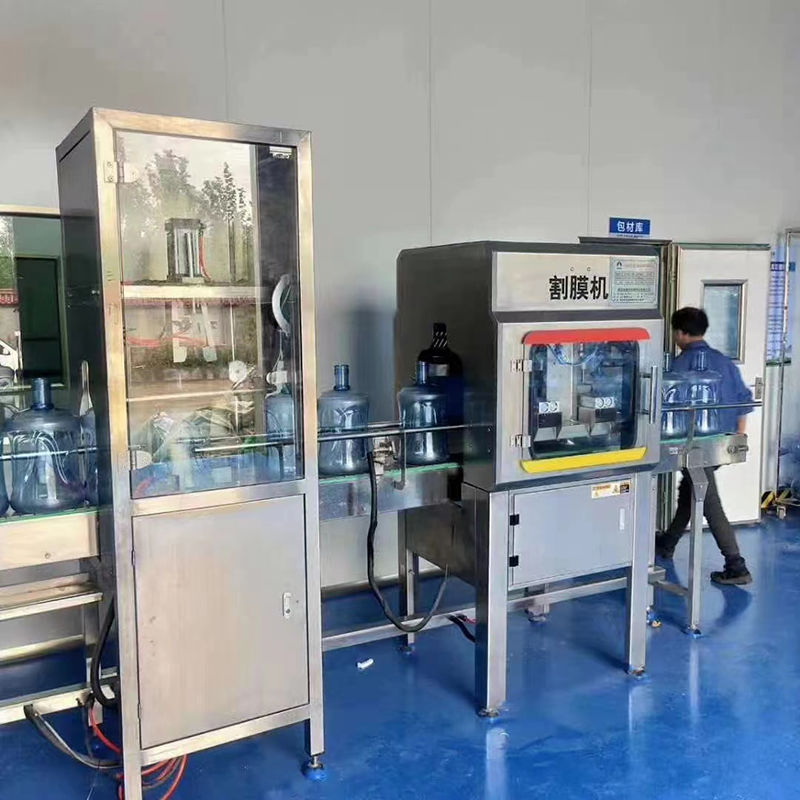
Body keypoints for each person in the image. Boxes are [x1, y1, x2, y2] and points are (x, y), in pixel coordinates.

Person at [655, 307, 753, 585]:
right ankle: (668, 543)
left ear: (681, 333)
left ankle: (736, 564)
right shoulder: (724, 361)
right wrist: (737, 438)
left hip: (693, 445)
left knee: (708, 499)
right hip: (723, 442)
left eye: (675, 332)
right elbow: (744, 400)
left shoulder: (679, 366)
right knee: (690, 490)